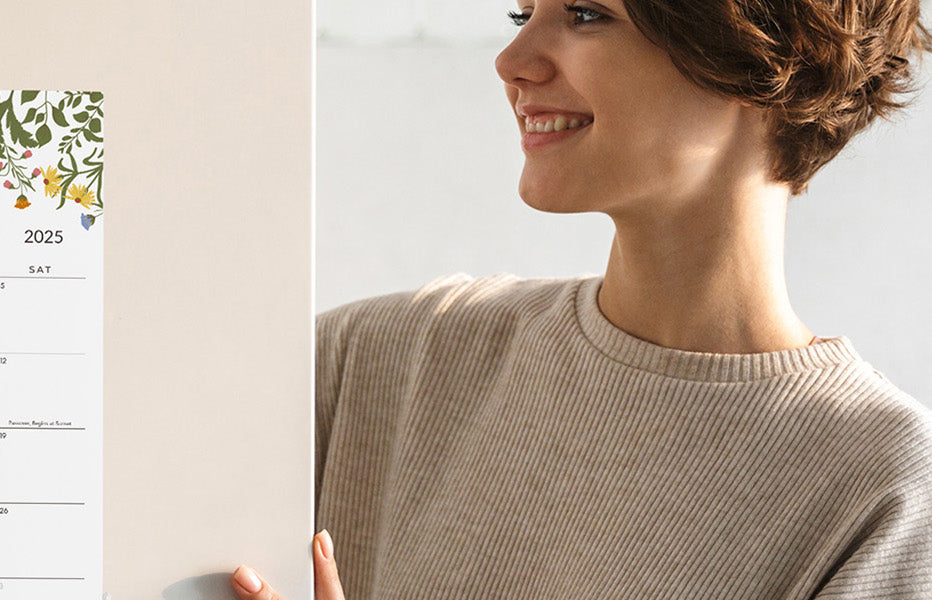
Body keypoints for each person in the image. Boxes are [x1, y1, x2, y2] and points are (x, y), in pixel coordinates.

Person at [230, 0, 931, 597]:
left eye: (587, 14)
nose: (512, 59)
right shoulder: (383, 360)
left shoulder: (884, 486)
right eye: (521, 12)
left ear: (764, 55)